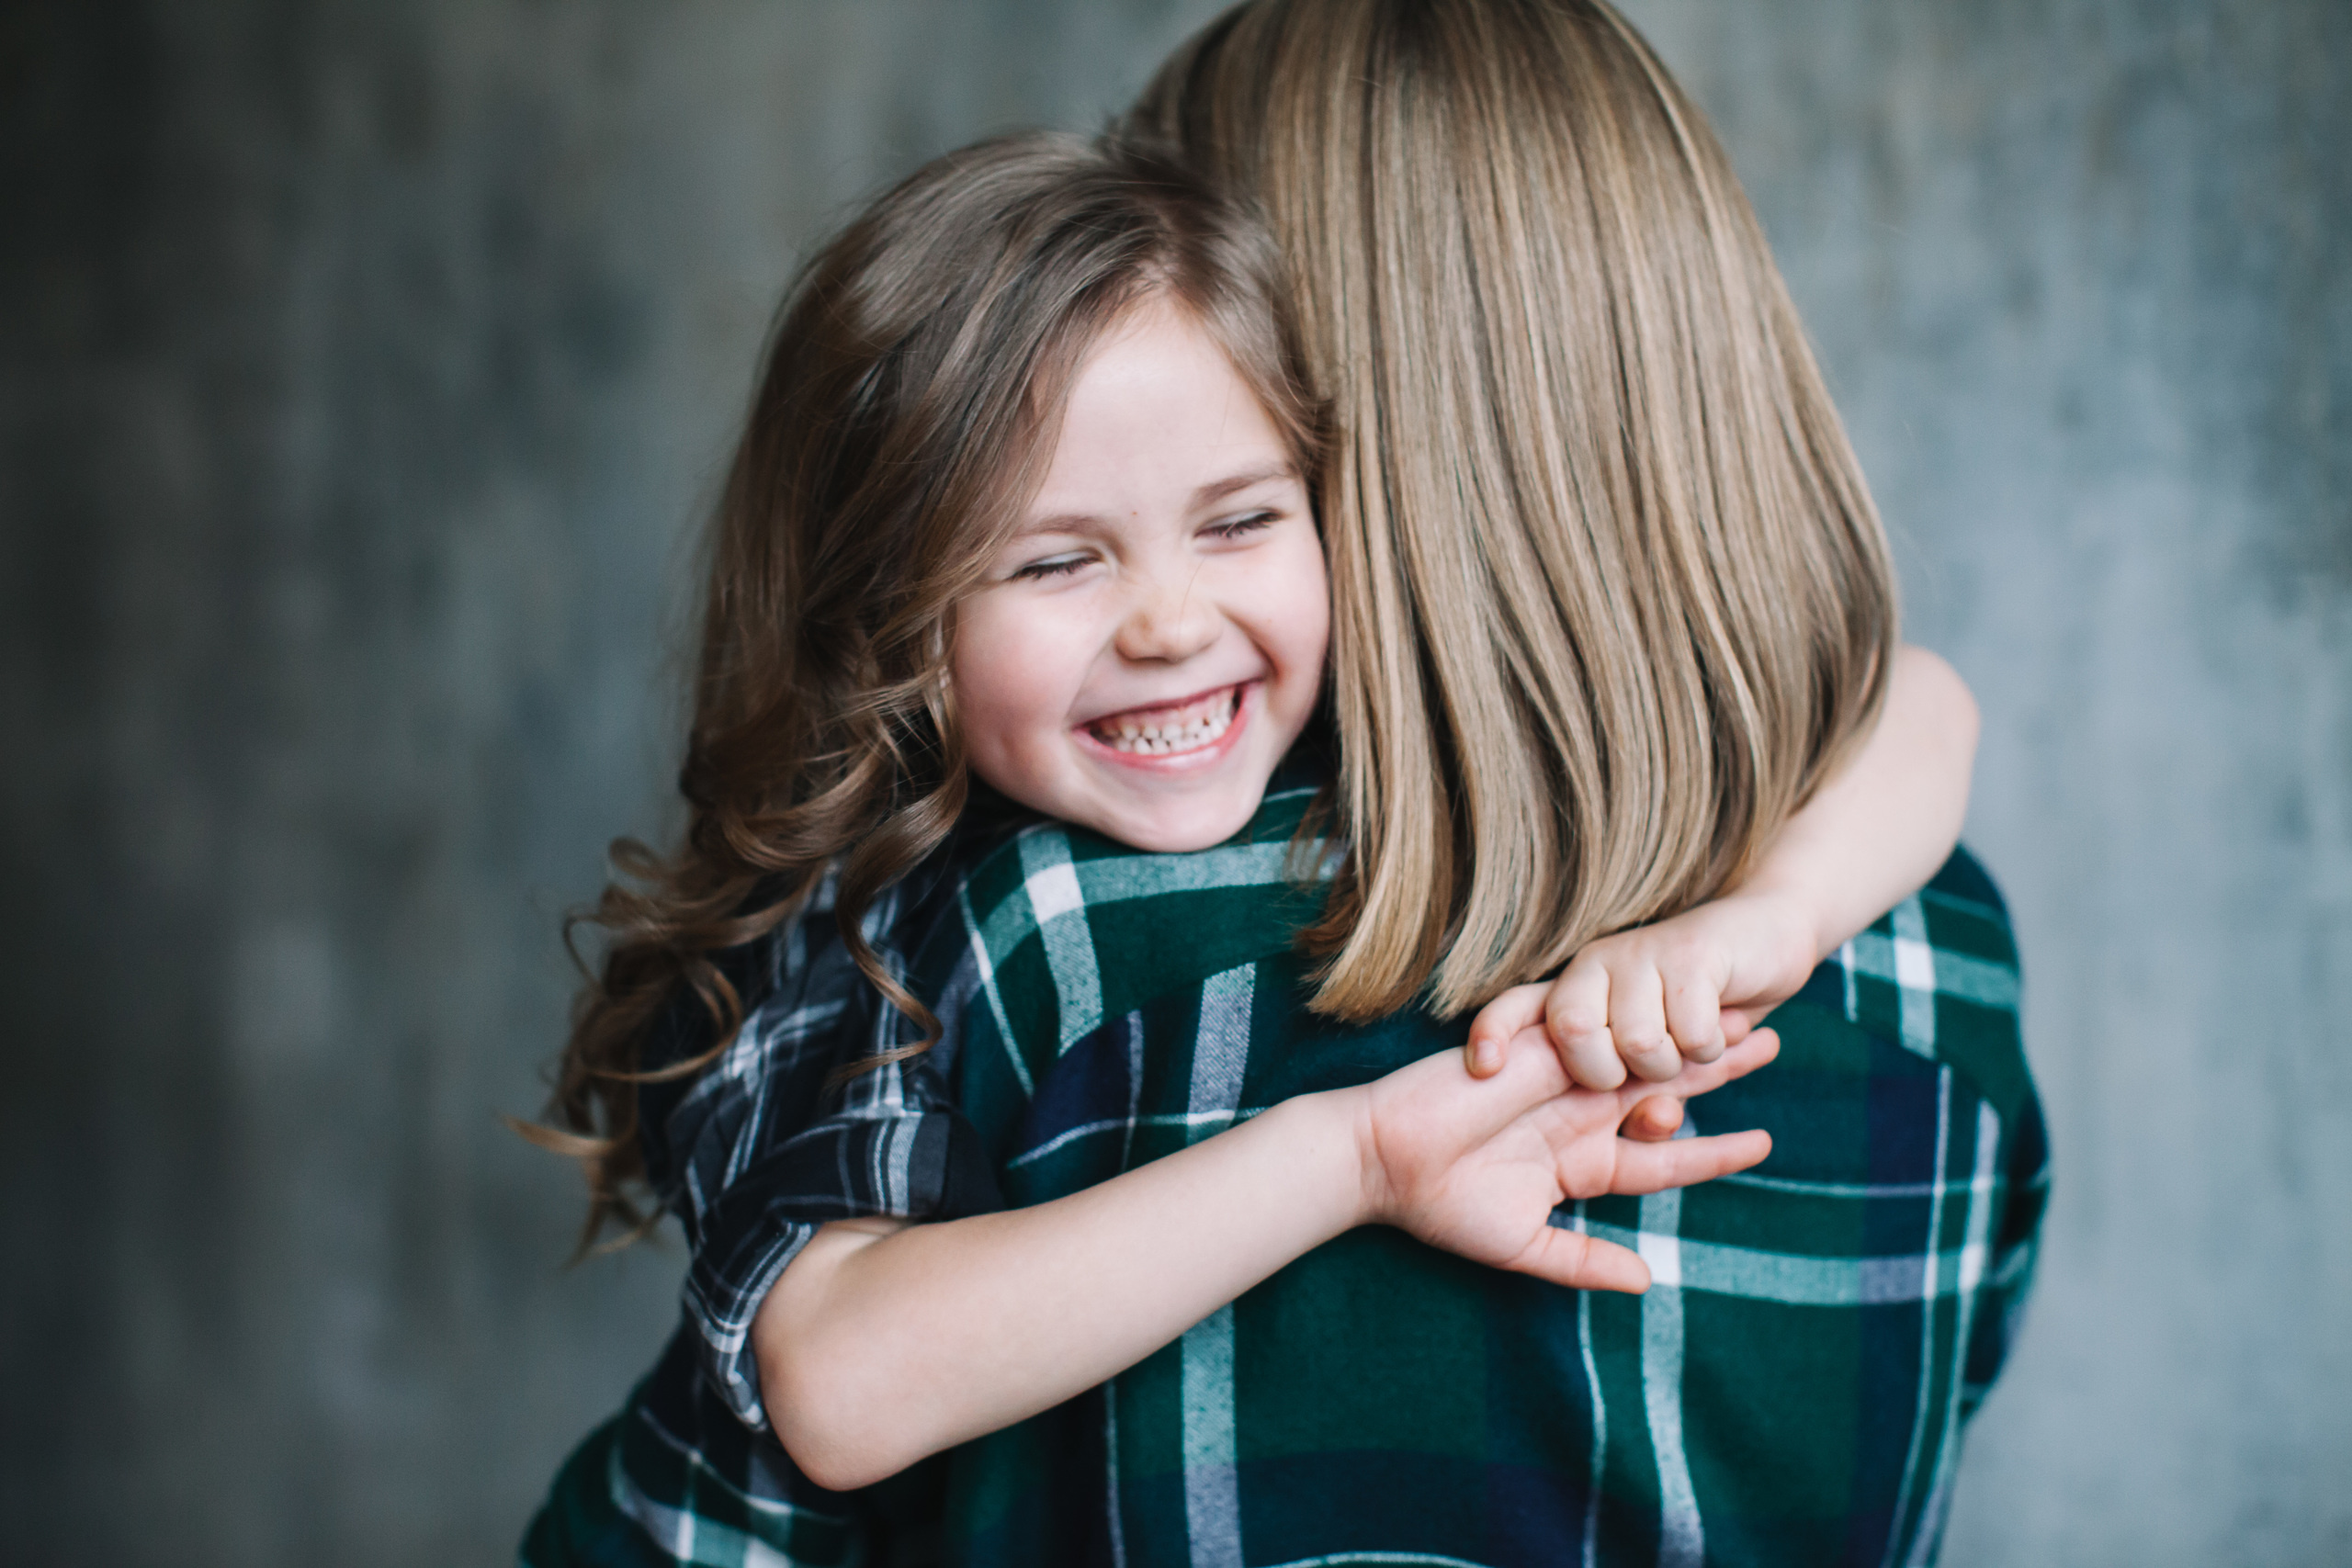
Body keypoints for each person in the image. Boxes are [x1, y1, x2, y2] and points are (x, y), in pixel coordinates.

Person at [520, 12, 2036, 1561]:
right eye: (1052, 556)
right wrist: (1765, 921)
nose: (1169, 622)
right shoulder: (1943, 959)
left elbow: (734, 1499)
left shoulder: (1032, 932)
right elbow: (1919, 704)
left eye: (1240, 515)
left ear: (1342, 429)